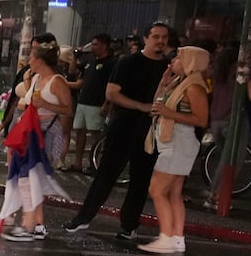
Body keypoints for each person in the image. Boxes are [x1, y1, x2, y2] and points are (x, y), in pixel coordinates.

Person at [63, 22, 173, 240]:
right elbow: (112, 93)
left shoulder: (168, 68)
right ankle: (83, 218)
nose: (161, 41)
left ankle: (129, 225)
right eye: (156, 36)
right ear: (146, 38)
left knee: (140, 180)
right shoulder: (128, 62)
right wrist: (141, 106)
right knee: (106, 174)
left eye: (164, 37)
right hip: (123, 126)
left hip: (151, 131)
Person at [139, 45, 211, 254]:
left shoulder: (194, 86)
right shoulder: (178, 82)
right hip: (171, 142)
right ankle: (177, 237)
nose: (173, 62)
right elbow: (159, 104)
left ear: (191, 62)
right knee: (174, 193)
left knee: (157, 190)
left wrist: (168, 113)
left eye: (179, 58)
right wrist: (163, 84)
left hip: (179, 142)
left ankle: (167, 236)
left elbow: (201, 119)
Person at [0, 40, 72, 241]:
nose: (28, 61)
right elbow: (26, 100)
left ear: (39, 60)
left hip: (47, 135)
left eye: (31, 57)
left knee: (29, 179)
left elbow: (68, 109)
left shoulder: (57, 81)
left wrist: (45, 103)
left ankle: (28, 226)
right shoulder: (37, 78)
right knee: (30, 178)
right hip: (30, 134)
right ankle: (37, 225)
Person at [64, 34, 114, 173]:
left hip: (97, 103)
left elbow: (112, 84)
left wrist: (107, 103)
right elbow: (72, 71)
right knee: (80, 131)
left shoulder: (111, 63)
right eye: (92, 44)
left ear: (104, 46)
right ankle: (78, 163)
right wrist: (75, 56)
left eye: (96, 44)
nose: (93, 47)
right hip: (83, 101)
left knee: (95, 134)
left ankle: (94, 163)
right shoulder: (89, 60)